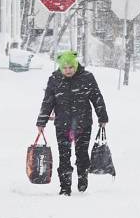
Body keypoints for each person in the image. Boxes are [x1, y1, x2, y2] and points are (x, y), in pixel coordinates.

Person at [35, 50, 109, 196]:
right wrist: (41, 121)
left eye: (71, 67)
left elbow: (97, 98)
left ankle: (82, 177)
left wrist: (102, 117)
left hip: (83, 123)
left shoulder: (87, 78)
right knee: (64, 156)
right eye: (65, 68)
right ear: (60, 67)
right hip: (63, 124)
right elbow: (48, 102)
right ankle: (65, 186)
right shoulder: (55, 79)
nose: (68, 70)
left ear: (76, 65)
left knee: (82, 153)